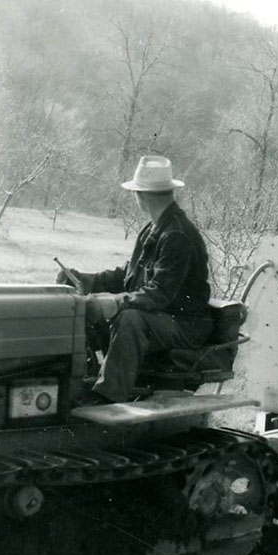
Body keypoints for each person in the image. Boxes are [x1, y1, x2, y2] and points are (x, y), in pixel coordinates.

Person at [57, 155, 212, 403]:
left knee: (129, 318)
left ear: (141, 195)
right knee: (90, 306)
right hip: (164, 317)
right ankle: (89, 379)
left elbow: (159, 293)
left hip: (185, 324)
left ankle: (108, 397)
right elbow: (129, 275)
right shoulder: (154, 229)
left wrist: (116, 303)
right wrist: (89, 281)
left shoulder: (177, 235)